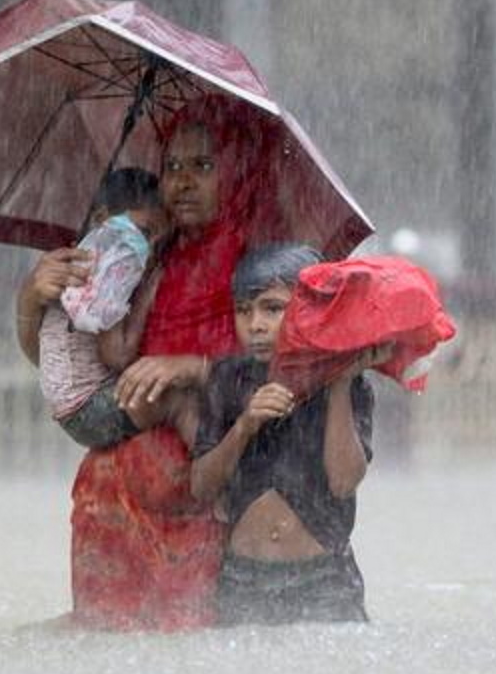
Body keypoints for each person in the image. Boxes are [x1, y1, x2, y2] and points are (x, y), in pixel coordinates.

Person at [16, 94, 290, 629]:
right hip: (113, 492)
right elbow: (63, 364)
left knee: (192, 654)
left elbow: (286, 368)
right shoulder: (139, 252)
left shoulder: (258, 262)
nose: (183, 181)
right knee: (108, 662)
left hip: (207, 491)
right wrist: (30, 300)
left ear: (237, 174)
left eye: (204, 166)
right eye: (172, 167)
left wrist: (195, 367)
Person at [190, 244, 389, 624]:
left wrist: (340, 385)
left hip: (323, 581)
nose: (256, 325)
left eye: (272, 308)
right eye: (243, 311)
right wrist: (245, 425)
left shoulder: (349, 381)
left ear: (308, 311)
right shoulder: (228, 379)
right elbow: (201, 487)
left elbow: (344, 482)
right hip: (242, 579)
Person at [39, 167, 193, 448]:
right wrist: (148, 295)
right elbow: (117, 356)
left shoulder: (84, 256)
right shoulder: (108, 271)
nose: (150, 247)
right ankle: (211, 472)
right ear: (101, 219)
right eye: (145, 232)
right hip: (89, 408)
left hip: (70, 406)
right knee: (182, 401)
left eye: (160, 239)